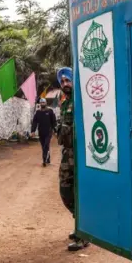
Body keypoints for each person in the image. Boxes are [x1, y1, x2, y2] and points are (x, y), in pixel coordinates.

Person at [56, 67, 89, 252]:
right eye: (62, 82)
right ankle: (81, 225)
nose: (65, 84)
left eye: (68, 80)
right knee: (66, 191)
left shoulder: (81, 102)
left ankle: (83, 233)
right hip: (68, 154)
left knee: (79, 192)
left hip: (80, 154)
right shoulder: (65, 103)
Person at [31, 98, 56, 167]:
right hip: (41, 132)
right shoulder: (38, 112)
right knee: (44, 146)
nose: (42, 104)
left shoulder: (50, 111)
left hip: (48, 132)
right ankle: (48, 159)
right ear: (40, 104)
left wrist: (55, 130)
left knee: (46, 145)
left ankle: (44, 160)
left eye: (43, 103)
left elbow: (53, 121)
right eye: (41, 103)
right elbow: (34, 122)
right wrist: (33, 131)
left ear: (46, 103)